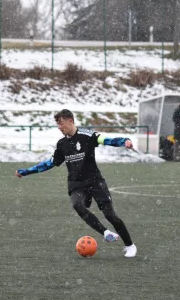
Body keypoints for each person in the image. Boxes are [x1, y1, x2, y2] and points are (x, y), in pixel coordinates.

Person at [14, 109, 137, 257]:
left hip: (95, 181)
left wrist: (124, 141)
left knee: (111, 216)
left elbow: (107, 139)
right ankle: (105, 233)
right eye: (57, 125)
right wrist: (27, 171)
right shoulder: (62, 144)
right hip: (76, 184)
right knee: (77, 204)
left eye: (61, 123)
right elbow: (50, 163)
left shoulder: (87, 135)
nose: (59, 127)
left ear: (70, 121)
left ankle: (130, 245)